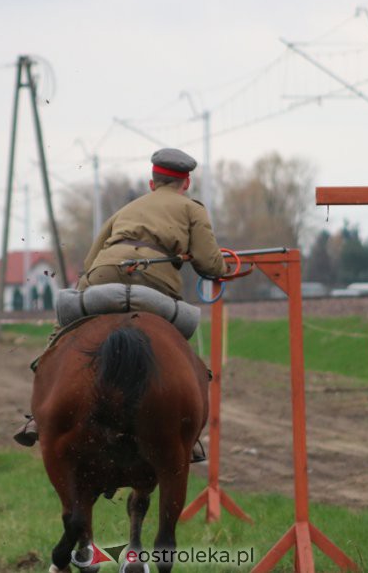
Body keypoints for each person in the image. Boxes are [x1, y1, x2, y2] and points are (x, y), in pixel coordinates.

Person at [14, 148, 227, 460]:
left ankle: (39, 412)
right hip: (155, 286)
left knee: (66, 327)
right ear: (187, 183)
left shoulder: (127, 209)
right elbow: (211, 265)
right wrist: (214, 264)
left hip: (104, 276)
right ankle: (189, 432)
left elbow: (90, 260)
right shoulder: (193, 209)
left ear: (152, 182)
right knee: (175, 343)